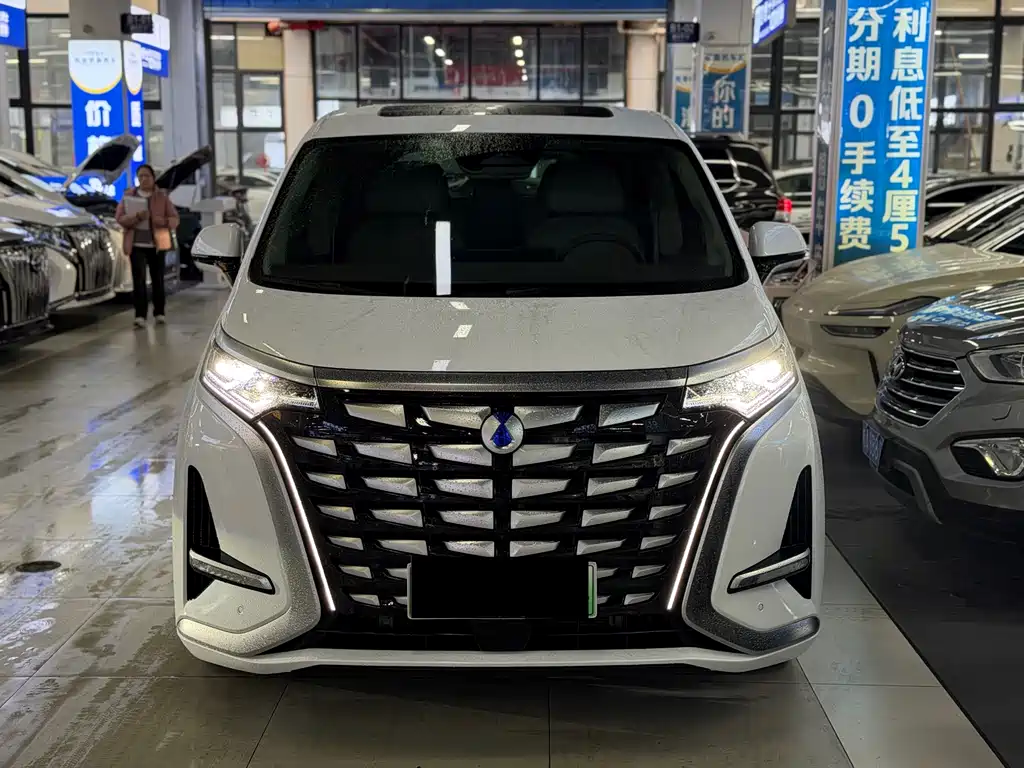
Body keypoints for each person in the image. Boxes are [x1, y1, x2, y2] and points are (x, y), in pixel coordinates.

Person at [115, 164, 179, 327]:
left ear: (153, 178)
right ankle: (140, 315)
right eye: (140, 176)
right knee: (139, 280)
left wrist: (160, 221)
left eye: (146, 176)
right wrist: (136, 217)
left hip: (158, 245)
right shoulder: (129, 196)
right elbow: (120, 218)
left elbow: (174, 219)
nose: (143, 179)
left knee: (158, 280)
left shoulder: (162, 197)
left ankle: (159, 312)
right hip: (136, 244)